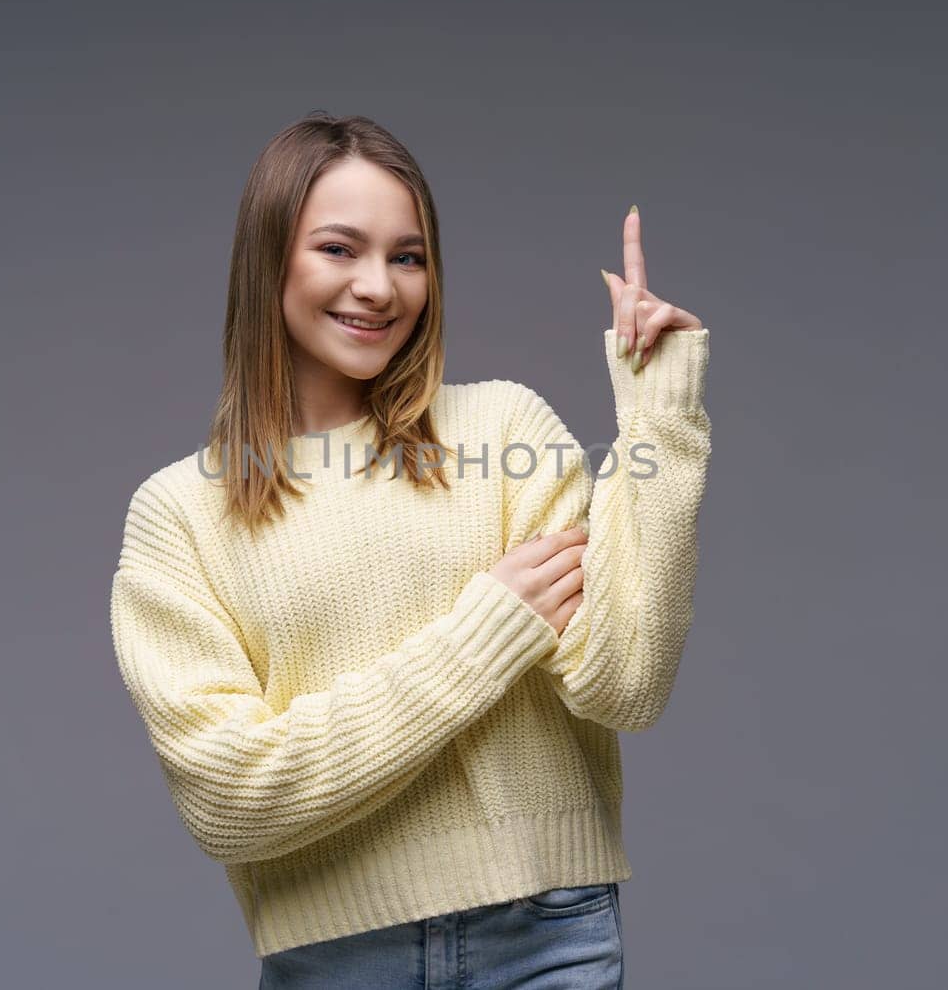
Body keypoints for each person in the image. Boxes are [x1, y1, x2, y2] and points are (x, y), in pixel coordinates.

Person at [107, 111, 711, 987]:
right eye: (339, 249)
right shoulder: (181, 514)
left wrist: (661, 417)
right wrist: (484, 636)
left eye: (407, 255)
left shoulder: (505, 431)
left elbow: (626, 683)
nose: (379, 287)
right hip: (336, 960)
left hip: (549, 935)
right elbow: (230, 798)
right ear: (268, 260)